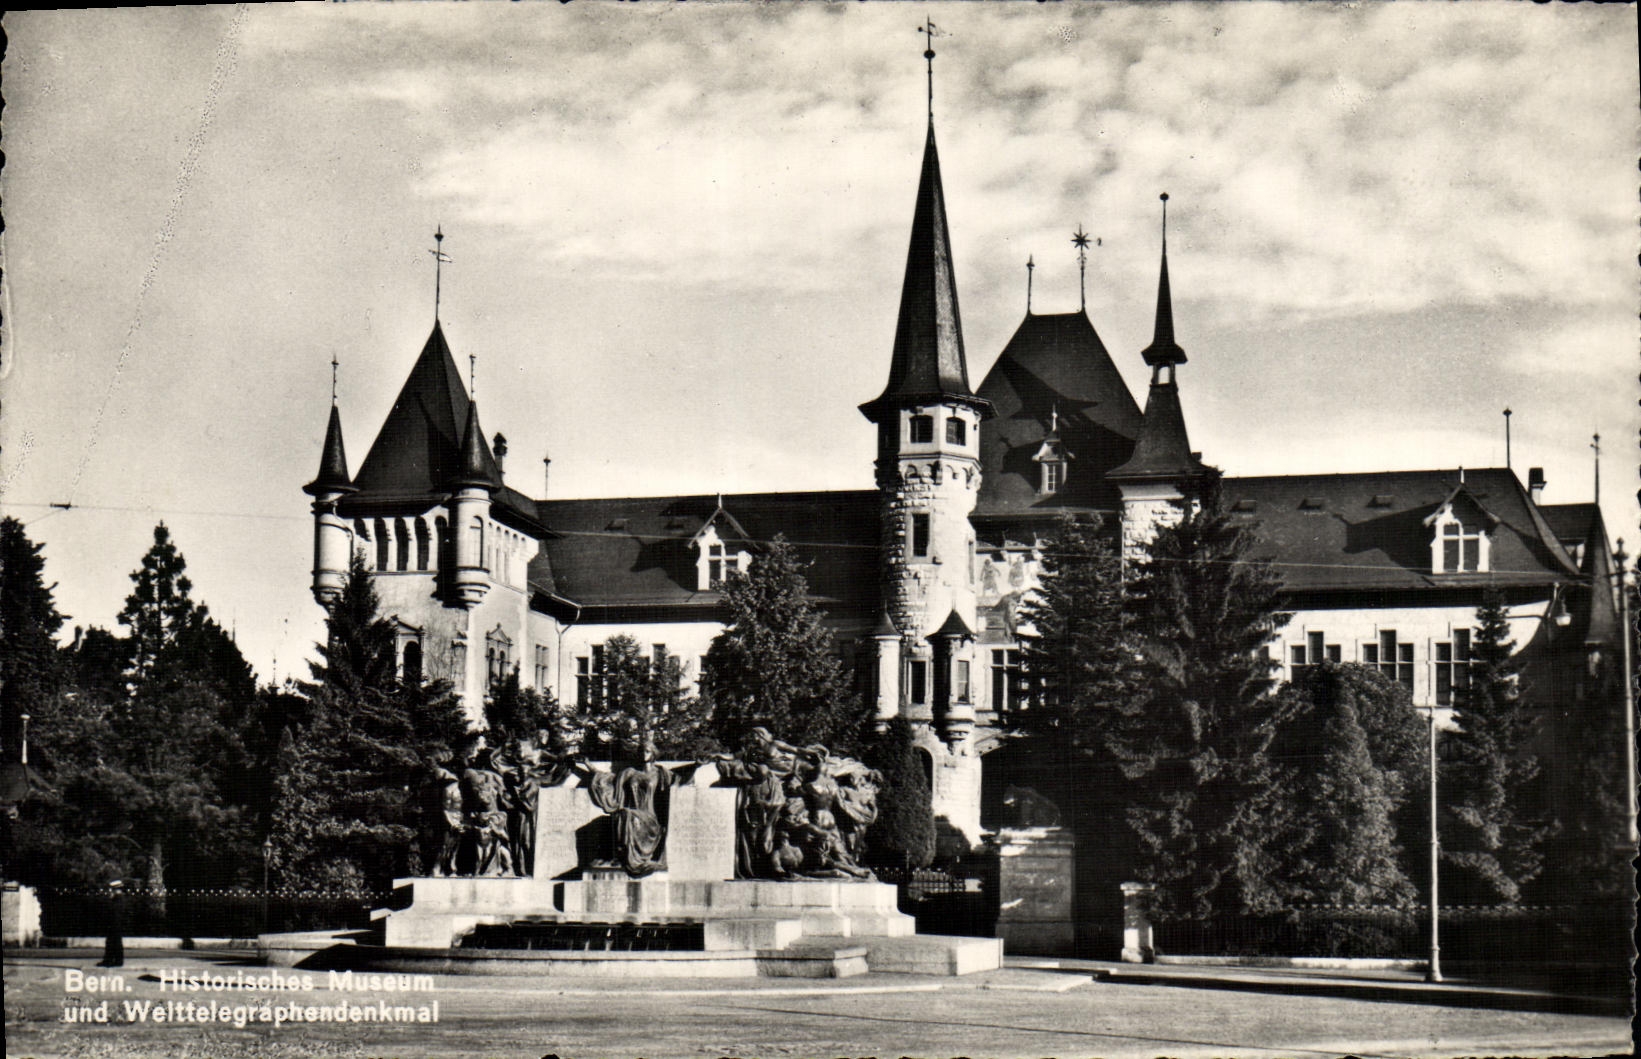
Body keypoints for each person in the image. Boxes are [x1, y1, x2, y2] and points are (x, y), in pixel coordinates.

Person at [99, 879, 125, 968]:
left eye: (112, 889)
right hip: (116, 923)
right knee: (115, 942)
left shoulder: (117, 899)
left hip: (115, 924)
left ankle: (111, 960)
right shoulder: (119, 899)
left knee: (113, 942)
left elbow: (114, 911)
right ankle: (116, 960)